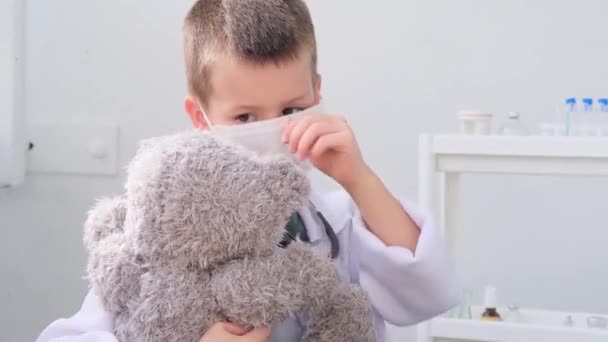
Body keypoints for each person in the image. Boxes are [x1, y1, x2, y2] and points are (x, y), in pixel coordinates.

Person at [36, 0, 458, 341]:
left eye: (292, 109)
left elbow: (427, 296)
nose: (272, 132)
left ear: (317, 93)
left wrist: (358, 178)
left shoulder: (337, 221)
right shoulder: (164, 230)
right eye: (244, 118)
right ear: (200, 118)